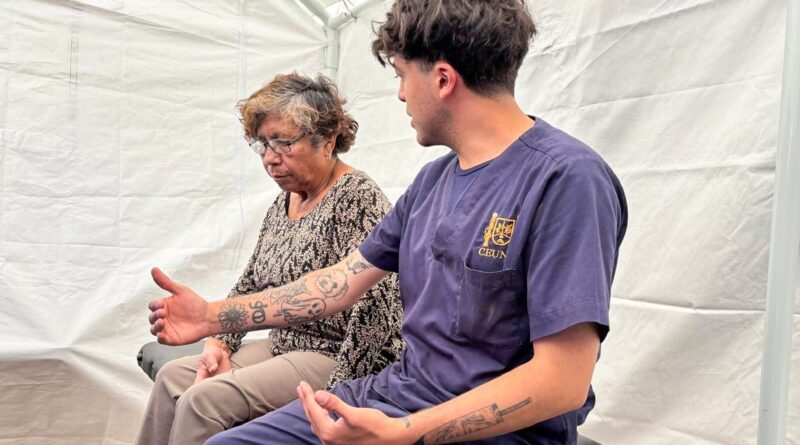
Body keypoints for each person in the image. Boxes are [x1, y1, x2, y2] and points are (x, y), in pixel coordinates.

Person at [147, 0, 628, 443]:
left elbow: (563, 381)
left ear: (443, 80)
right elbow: (341, 283)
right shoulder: (432, 182)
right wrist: (213, 316)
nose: (400, 95)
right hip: (395, 395)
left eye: (401, 75)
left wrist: (407, 432)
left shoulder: (567, 180)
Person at [136, 72, 404, 445]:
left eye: (283, 143)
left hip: (332, 352)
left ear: (327, 141)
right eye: (262, 144)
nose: (269, 159)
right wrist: (220, 343)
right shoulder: (285, 201)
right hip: (284, 344)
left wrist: (343, 390)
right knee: (172, 380)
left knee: (203, 401)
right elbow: (252, 280)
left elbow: (379, 307)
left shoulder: (357, 197)